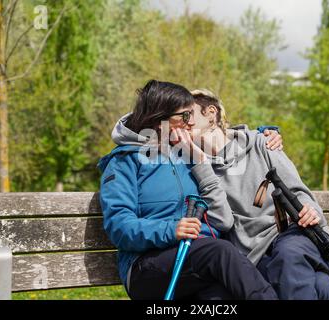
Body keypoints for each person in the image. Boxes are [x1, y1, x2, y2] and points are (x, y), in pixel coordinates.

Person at [98, 80, 281, 300]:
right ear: (159, 120)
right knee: (220, 251)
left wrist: (264, 134)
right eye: (185, 116)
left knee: (222, 295)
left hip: (197, 262)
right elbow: (119, 225)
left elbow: (225, 140)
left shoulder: (187, 153)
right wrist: (171, 229)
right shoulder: (125, 161)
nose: (191, 122)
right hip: (146, 266)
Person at [173, 88, 329, 300]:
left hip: (296, 235)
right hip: (256, 255)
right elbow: (223, 221)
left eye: (189, 114)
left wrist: (311, 211)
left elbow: (298, 190)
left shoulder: (262, 143)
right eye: (181, 117)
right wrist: (201, 165)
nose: (184, 122)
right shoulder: (195, 169)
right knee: (324, 287)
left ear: (211, 113)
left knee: (289, 255)